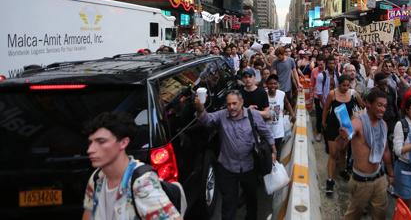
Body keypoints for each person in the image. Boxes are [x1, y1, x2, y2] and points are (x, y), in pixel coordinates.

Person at [82, 112, 182, 220]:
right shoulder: (97, 178)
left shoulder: (142, 182)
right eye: (90, 143)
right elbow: (88, 214)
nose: (90, 150)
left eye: (101, 142)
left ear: (123, 143)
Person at [194, 90, 275, 220]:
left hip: (249, 167)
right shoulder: (221, 115)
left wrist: (273, 150)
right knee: (228, 203)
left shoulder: (253, 115)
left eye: (234, 103)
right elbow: (206, 120)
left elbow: (266, 133)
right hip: (227, 168)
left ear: (242, 102)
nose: (231, 107)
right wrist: (200, 108)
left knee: (251, 200)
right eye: (229, 104)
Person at [339, 88, 395, 220]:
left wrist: (391, 173)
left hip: (380, 178)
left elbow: (385, 150)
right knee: (353, 215)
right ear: (368, 104)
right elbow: (348, 133)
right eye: (379, 105)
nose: (382, 109)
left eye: (385, 106)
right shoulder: (359, 122)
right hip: (361, 182)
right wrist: (345, 135)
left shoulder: (384, 125)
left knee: (380, 213)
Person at [322, 75, 365, 196]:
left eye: (348, 85)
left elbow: (362, 106)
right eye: (343, 85)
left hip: (346, 128)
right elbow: (326, 109)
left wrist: (356, 116)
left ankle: (342, 170)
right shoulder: (332, 94)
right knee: (333, 154)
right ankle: (330, 180)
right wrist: (323, 122)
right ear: (338, 85)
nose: (346, 88)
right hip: (333, 127)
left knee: (343, 151)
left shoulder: (353, 94)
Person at [265, 75, 296, 159]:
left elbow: (287, 103)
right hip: (266, 131)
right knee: (267, 153)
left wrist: (292, 114)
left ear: (278, 84)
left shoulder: (282, 94)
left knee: (277, 152)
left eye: (275, 83)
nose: (273, 86)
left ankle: (277, 168)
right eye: (270, 84)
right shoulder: (263, 95)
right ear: (266, 84)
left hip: (278, 131)